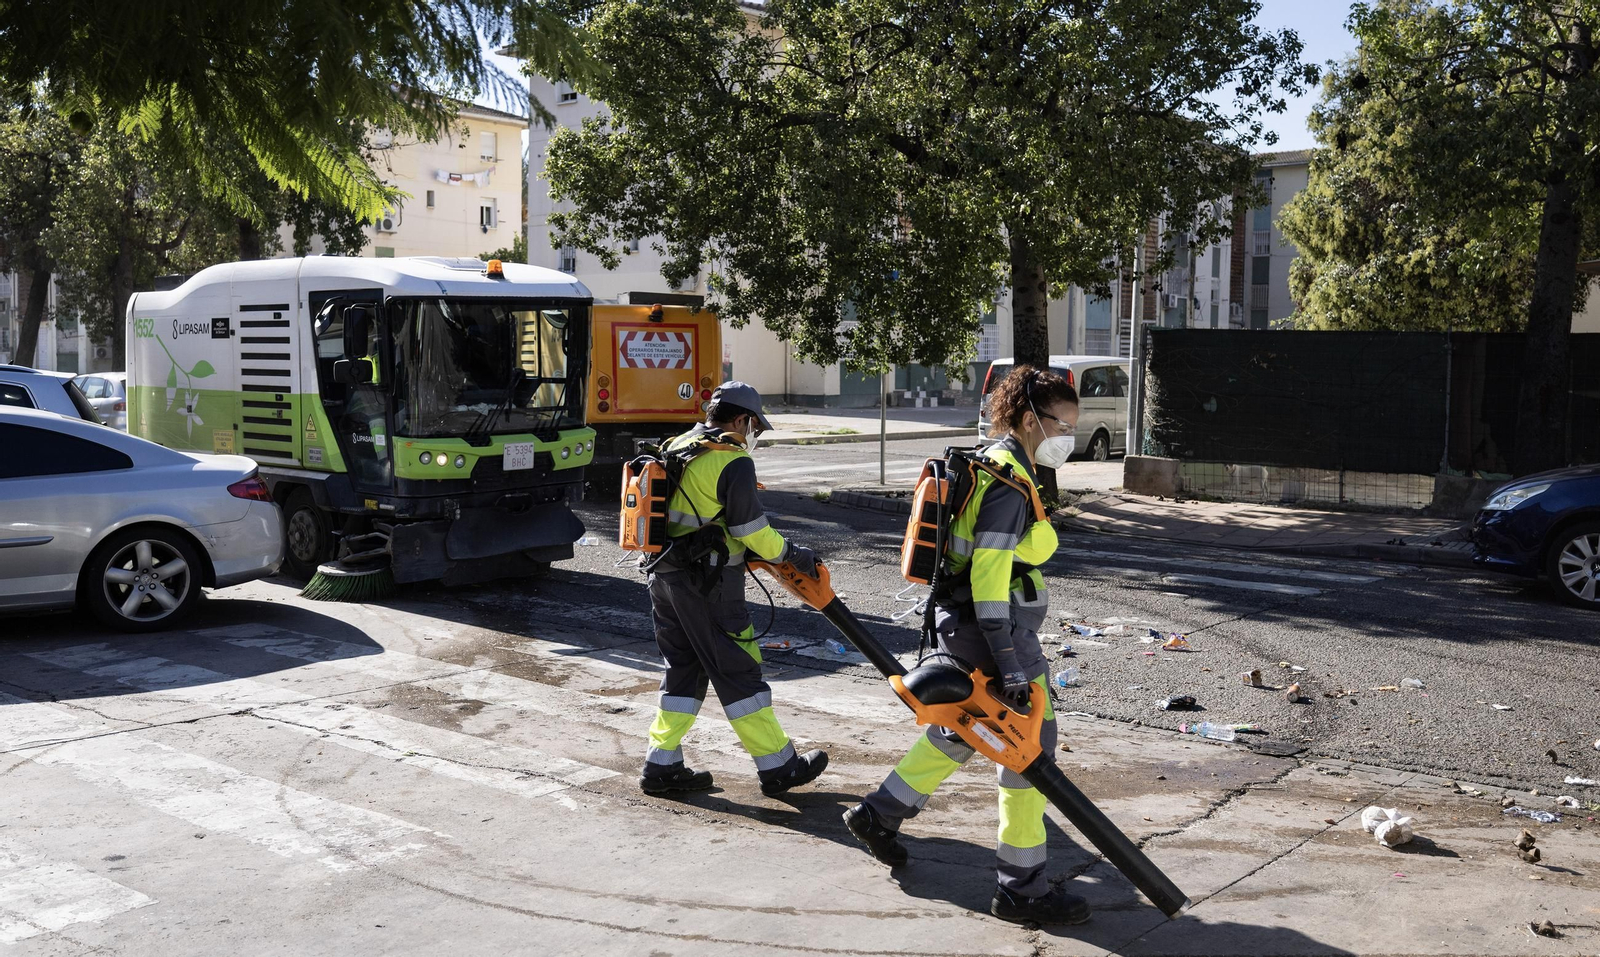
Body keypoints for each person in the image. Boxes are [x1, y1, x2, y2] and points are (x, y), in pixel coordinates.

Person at [843, 364, 1089, 926]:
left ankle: (879, 814)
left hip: (963, 627)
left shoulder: (991, 464)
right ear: (1031, 419)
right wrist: (1010, 663)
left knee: (961, 729)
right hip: (993, 635)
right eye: (1064, 427)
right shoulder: (1006, 480)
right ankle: (1022, 889)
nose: (1068, 440)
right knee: (1029, 754)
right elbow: (989, 573)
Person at [640, 381, 830, 797]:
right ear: (742, 419)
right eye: (754, 428)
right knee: (738, 671)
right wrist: (792, 554)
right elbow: (752, 531)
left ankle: (661, 764)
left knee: (683, 671)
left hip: (664, 578)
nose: (753, 436)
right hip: (710, 587)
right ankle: (778, 766)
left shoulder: (678, 444)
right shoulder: (733, 460)